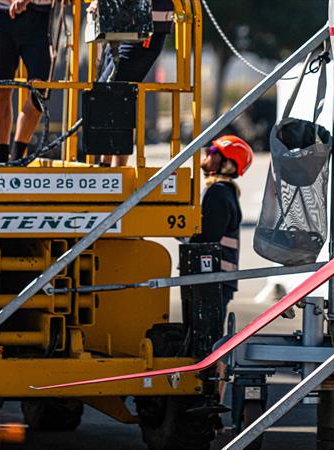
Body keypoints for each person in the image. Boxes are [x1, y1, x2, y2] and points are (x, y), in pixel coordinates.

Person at [89, 0, 174, 166]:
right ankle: (109, 165)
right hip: (125, 26)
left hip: (144, 29)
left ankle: (114, 168)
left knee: (115, 92)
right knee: (110, 93)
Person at [189, 135, 253, 323]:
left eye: (214, 151)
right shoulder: (223, 191)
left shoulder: (219, 193)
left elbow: (208, 236)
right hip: (215, 277)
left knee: (205, 338)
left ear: (226, 164)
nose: (207, 153)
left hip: (212, 277)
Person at [0, 0, 52, 163]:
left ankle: (17, 156)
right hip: (0, 13)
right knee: (1, 88)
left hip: (39, 16)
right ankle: (3, 157)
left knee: (39, 89)